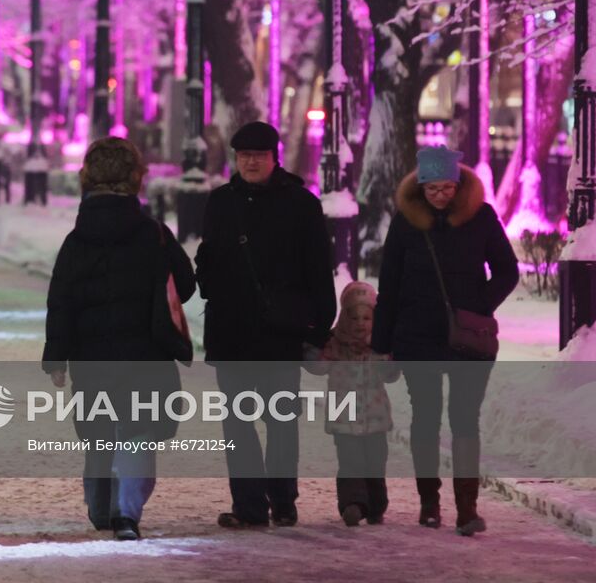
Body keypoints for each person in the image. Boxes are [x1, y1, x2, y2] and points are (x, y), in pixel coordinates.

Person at [42, 137, 195, 541]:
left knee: (99, 429)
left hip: (92, 359)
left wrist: (56, 358)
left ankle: (99, 507)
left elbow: (61, 303)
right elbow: (187, 285)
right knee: (139, 431)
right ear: (135, 180)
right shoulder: (154, 235)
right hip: (146, 357)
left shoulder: (76, 241)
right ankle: (127, 513)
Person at [194, 120, 336, 529]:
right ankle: (250, 505)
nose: (251, 162)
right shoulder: (221, 202)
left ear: (275, 157)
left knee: (280, 420)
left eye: (258, 155)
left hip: (281, 331)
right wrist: (207, 280)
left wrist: (318, 326)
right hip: (231, 329)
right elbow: (208, 255)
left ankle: (283, 497)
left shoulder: (300, 204)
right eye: (243, 156)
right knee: (238, 422)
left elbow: (318, 270)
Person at [373, 147, 518, 536]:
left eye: (448, 187)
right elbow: (388, 285)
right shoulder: (406, 224)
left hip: (468, 340)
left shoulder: (481, 218)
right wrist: (381, 343)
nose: (441, 195)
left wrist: (479, 306)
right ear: (421, 188)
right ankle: (429, 503)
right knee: (425, 420)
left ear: (459, 185)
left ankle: (467, 509)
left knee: (465, 421)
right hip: (416, 336)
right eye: (433, 188)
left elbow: (507, 270)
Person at [304, 280, 400, 527]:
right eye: (354, 318)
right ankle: (353, 505)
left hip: (375, 416)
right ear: (344, 318)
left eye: (366, 318)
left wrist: (393, 360)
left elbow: (390, 374)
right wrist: (309, 349)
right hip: (344, 416)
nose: (360, 324)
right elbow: (319, 366)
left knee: (375, 463)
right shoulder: (335, 345)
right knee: (350, 462)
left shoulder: (379, 346)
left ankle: (376, 505)